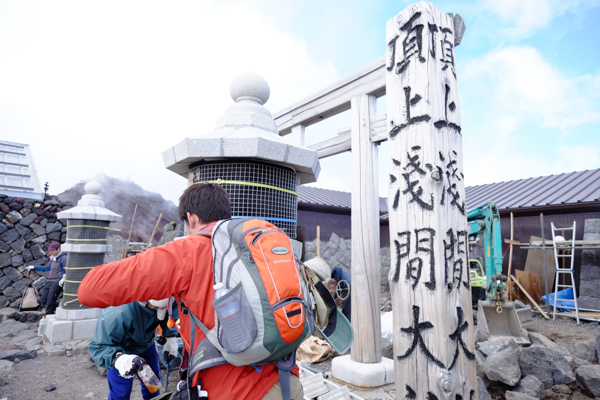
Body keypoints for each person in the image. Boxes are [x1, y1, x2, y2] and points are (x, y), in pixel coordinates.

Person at [78, 183, 303, 400]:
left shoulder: (188, 251)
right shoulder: (255, 249)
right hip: (288, 379)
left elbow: (88, 290)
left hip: (236, 391)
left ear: (191, 218)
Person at [89, 299, 178, 400]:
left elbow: (171, 314)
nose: (162, 309)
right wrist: (119, 359)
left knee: (152, 384)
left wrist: (170, 339)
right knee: (121, 392)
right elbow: (98, 347)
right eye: (158, 307)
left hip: (146, 343)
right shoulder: (117, 312)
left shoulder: (168, 300)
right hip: (119, 349)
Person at [26, 242, 68, 315]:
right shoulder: (53, 259)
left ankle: (48, 316)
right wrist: (34, 267)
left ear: (58, 249)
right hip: (50, 281)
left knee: (50, 300)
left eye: (52, 250)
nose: (51, 252)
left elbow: (68, 270)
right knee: (43, 300)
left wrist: (64, 278)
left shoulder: (64, 258)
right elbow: (46, 268)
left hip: (58, 282)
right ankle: (61, 306)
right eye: (50, 250)